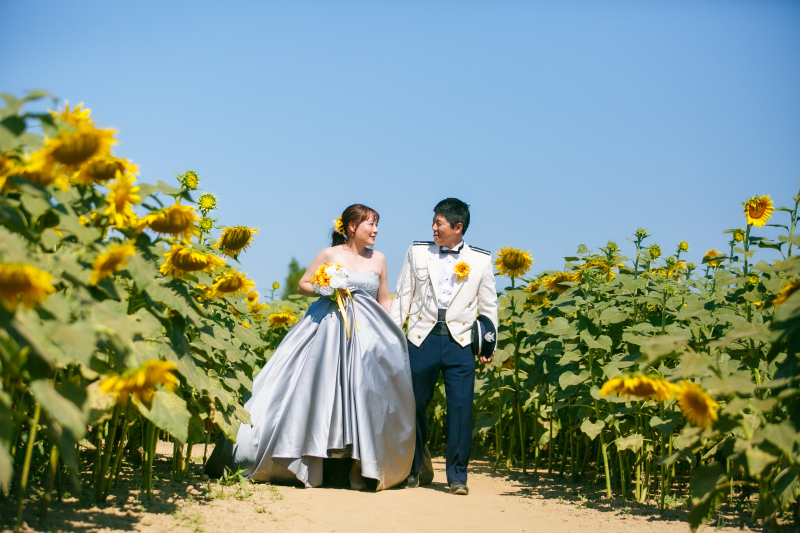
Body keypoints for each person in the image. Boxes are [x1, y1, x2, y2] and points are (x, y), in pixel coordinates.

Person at [206, 204, 415, 491]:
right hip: (327, 331)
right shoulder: (329, 255)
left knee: (365, 396)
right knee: (317, 392)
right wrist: (327, 287)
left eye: (377, 224)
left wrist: (390, 330)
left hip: (366, 338)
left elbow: (384, 298)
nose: (376, 230)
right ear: (352, 227)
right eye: (370, 224)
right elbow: (304, 284)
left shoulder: (379, 259)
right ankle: (308, 464)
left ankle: (360, 467)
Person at [390, 198, 498, 496]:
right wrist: (390, 336)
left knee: (461, 408)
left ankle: (457, 476)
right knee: (413, 405)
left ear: (457, 227)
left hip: (461, 342)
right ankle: (413, 469)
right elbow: (403, 297)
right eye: (434, 222)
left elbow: (489, 307)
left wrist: (488, 343)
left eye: (439, 223)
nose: (433, 228)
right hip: (421, 338)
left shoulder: (480, 260)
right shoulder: (417, 252)